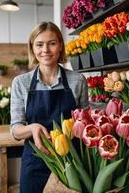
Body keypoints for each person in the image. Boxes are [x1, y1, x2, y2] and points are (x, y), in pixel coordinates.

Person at [10, 21, 89, 193]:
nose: (45, 50)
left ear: (60, 46)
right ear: (33, 48)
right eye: (39, 44)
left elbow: (84, 125)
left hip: (70, 164)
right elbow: (15, 130)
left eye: (52, 43)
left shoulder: (78, 81)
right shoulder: (21, 83)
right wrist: (32, 128)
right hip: (35, 163)